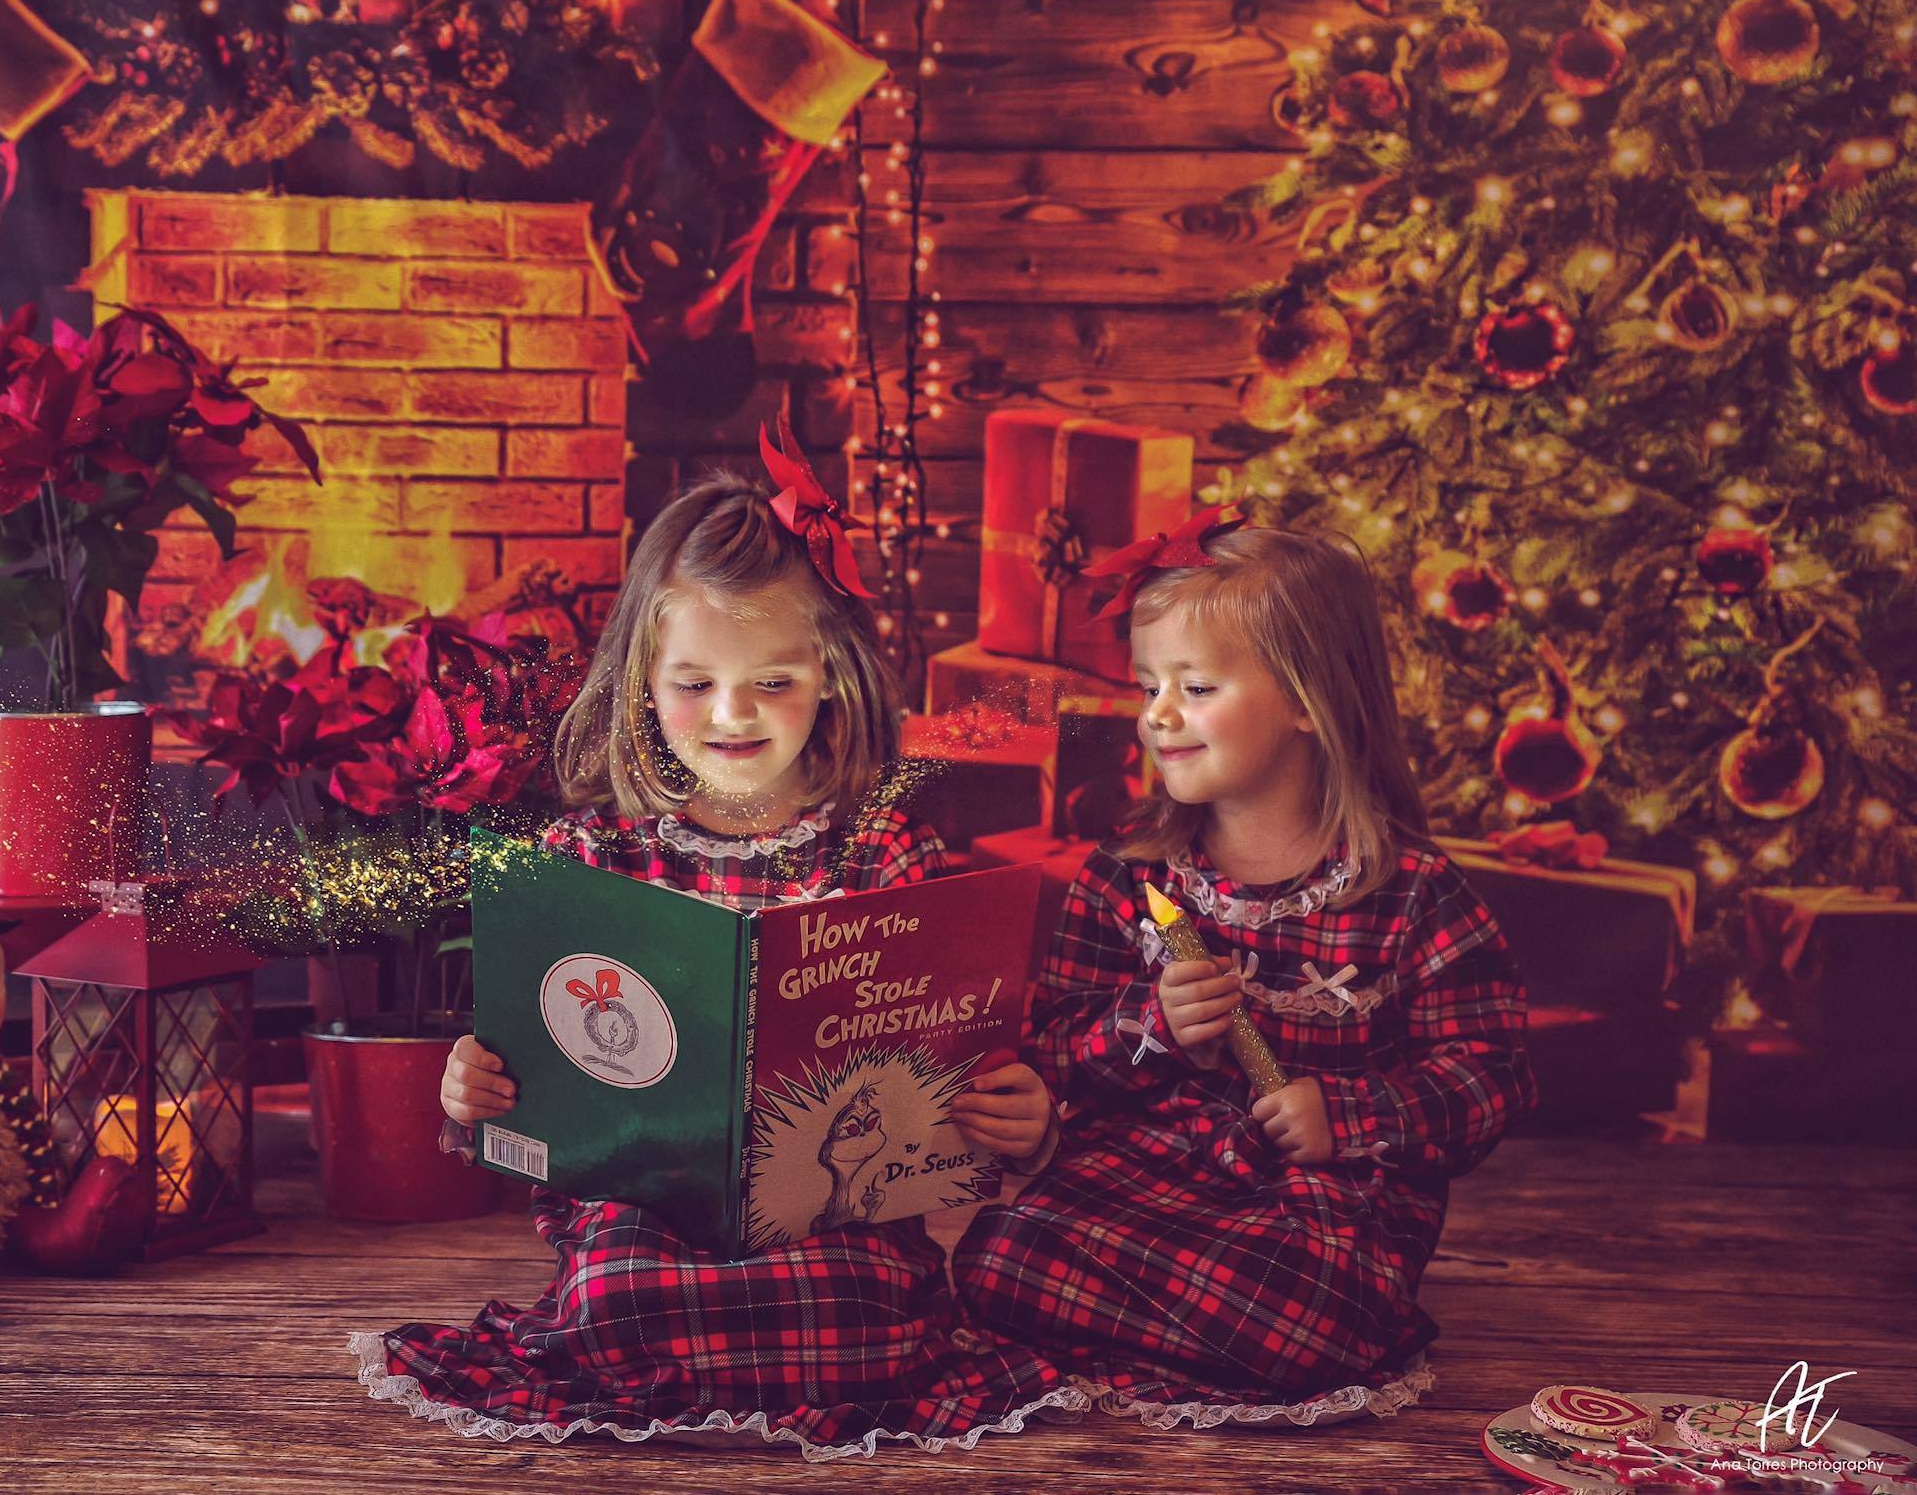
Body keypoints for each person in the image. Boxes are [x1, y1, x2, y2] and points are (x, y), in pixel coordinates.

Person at [352, 433, 1063, 1457]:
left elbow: (947, 1053)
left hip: (834, 1206)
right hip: (645, 1203)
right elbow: (524, 1076)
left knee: (854, 1315)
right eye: (694, 684)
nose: (730, 715)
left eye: (771, 682)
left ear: (832, 677)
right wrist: (471, 1087)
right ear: (642, 675)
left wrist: (1012, 1108)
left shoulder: (880, 844)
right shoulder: (590, 852)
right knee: (615, 1297)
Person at [952, 513, 1537, 1428]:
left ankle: (1211, 1332)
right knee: (999, 1256)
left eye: (1196, 685)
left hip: (1323, 1204)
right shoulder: (1128, 876)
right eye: (1149, 686)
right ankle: (1207, 1333)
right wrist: (1150, 1022)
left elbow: (1491, 1077)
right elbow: (1054, 1048)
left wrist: (1343, 1115)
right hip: (1152, 1176)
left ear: (1307, 699)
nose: (1157, 715)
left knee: (1304, 1309)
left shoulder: (1413, 892)